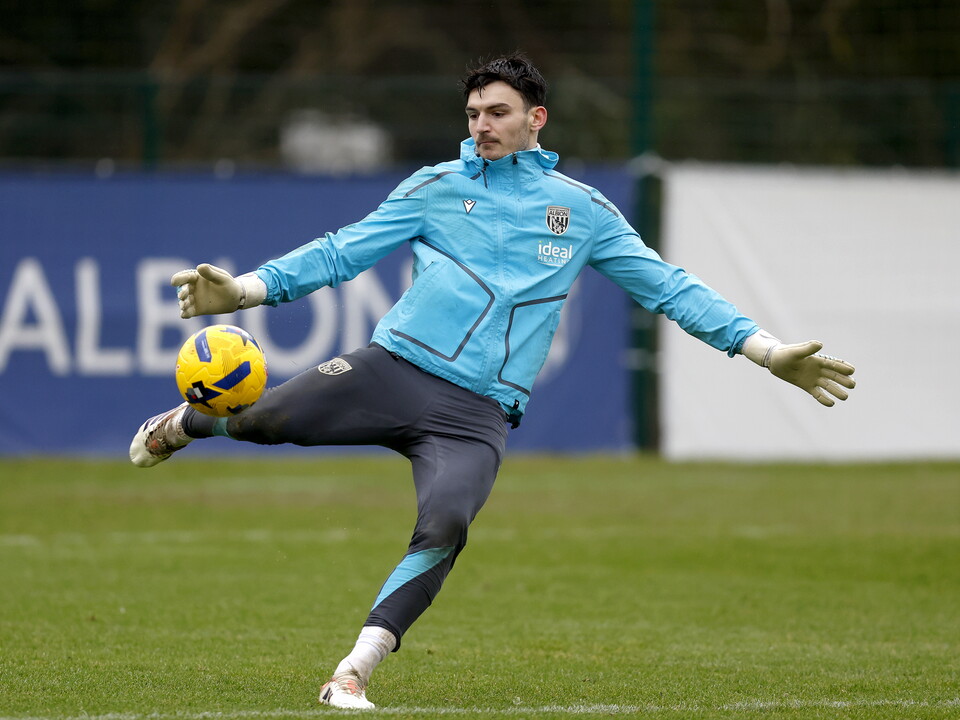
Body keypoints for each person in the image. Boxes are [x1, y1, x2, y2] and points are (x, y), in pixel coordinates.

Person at [129, 54, 856, 709]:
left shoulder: (586, 213)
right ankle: (185, 425)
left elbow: (670, 288)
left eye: (498, 112)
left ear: (536, 118)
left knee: (445, 526)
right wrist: (247, 291)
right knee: (264, 420)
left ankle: (352, 672)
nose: (482, 124)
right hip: (393, 370)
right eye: (474, 113)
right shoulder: (434, 188)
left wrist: (764, 351)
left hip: (475, 415)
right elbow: (339, 253)